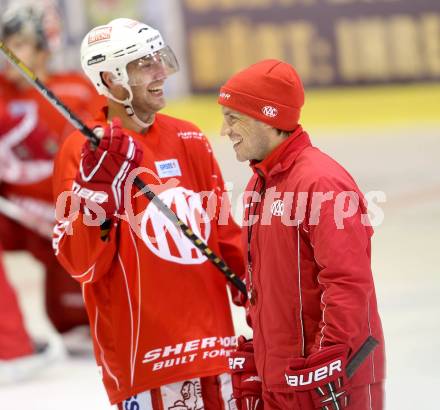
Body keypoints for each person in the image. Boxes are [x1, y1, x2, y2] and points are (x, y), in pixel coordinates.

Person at [52, 18, 245, 409]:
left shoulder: (188, 136)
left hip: (216, 351)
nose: (161, 73)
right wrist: (96, 198)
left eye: (159, 58)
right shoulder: (82, 150)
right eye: (144, 64)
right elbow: (81, 266)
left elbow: (225, 233)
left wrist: (260, 291)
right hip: (148, 362)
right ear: (110, 77)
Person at [218, 59, 385, 409]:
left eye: (233, 118)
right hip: (282, 381)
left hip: (329, 384)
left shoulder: (320, 183)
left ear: (269, 117)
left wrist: (330, 361)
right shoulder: (258, 185)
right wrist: (261, 351)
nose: (223, 130)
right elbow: (268, 287)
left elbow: (347, 283)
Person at [0, 2, 102, 375]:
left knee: (76, 319)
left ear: (46, 46)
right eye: (6, 42)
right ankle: (10, 347)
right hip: (15, 217)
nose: (11, 52)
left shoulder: (76, 90)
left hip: (68, 216)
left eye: (22, 43)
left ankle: (92, 319)